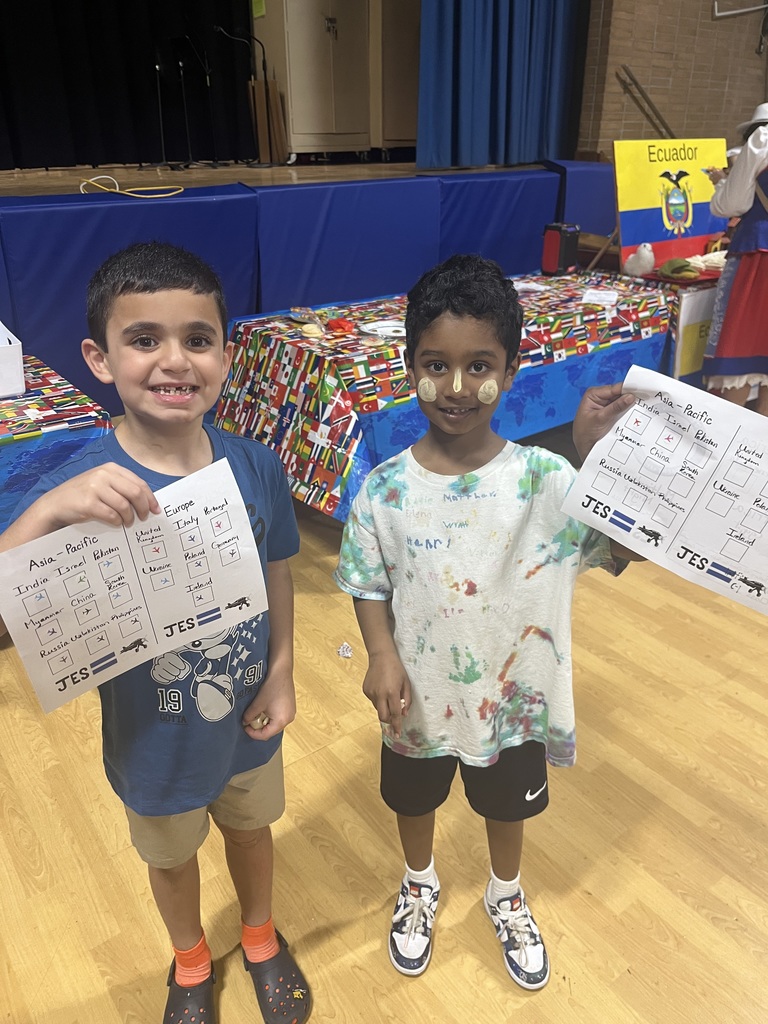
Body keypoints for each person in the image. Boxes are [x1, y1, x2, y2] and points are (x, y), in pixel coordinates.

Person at [0, 242, 311, 1024]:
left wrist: (281, 669)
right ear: (98, 358)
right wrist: (46, 513)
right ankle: (191, 961)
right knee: (169, 855)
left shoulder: (256, 466)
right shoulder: (76, 483)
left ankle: (262, 936)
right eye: (144, 340)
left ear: (226, 356)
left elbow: (278, 570)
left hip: (247, 718)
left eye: (198, 340)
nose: (175, 361)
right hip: (152, 737)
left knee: (252, 829)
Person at [333, 253, 641, 990]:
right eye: (435, 365)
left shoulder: (548, 481)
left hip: (514, 702)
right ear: (409, 366)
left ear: (513, 364)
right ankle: (419, 881)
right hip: (415, 694)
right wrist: (379, 652)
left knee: (507, 805)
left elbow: (623, 549)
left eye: (480, 365)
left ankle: (506, 893)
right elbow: (366, 581)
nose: (457, 388)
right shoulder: (382, 489)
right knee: (414, 797)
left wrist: (600, 460)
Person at [703, 101, 768, 413]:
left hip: (757, 253)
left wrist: (721, 185)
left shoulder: (759, 144)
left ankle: (732, 446)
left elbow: (730, 205)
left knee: (739, 348)